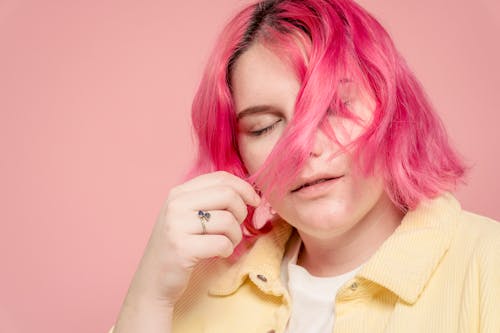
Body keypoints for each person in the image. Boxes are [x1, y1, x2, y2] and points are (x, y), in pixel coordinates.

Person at [109, 0, 500, 332]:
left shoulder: (487, 263)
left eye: (334, 108)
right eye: (264, 127)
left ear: (392, 106)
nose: (303, 148)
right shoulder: (193, 288)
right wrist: (147, 296)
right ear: (238, 153)